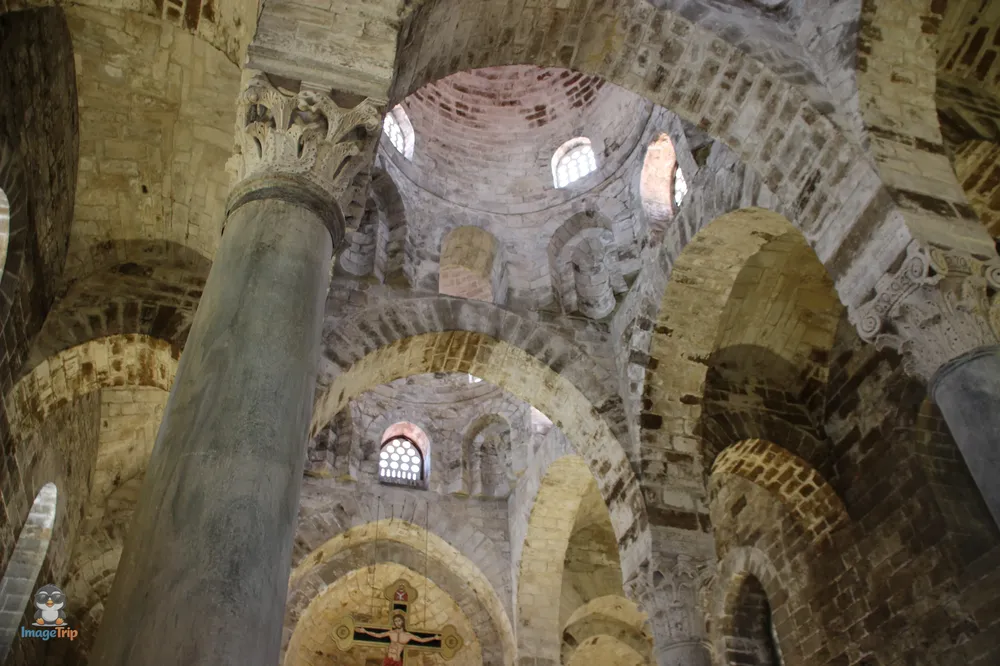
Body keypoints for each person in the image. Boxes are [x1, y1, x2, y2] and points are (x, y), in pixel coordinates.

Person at [357, 613, 440, 666]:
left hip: (397, 662)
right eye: (396, 621)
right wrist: (365, 631)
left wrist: (433, 638)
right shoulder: (391, 633)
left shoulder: (408, 635)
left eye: (399, 621)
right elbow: (378, 635)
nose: (397, 623)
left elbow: (421, 640)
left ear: (402, 622)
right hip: (388, 661)